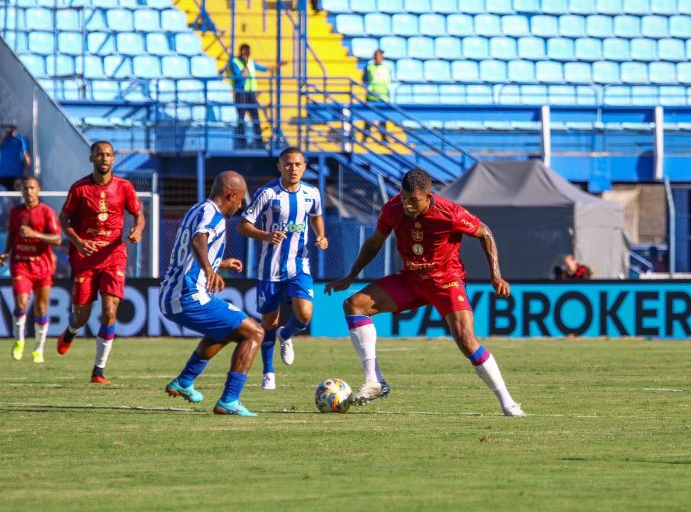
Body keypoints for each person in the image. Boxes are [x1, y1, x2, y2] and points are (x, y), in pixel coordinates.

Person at [325, 168, 525, 417]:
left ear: (428, 196)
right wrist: (351, 276)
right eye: (404, 197)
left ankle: (508, 402)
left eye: (414, 200)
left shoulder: (449, 212)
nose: (407, 204)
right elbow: (375, 242)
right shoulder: (393, 208)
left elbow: (484, 233)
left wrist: (495, 274)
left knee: (466, 341)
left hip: (446, 281)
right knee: (354, 304)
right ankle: (375, 380)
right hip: (412, 278)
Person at [162, 171, 265, 417]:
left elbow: (192, 250)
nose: (240, 206)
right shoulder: (214, 216)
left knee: (228, 330)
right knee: (255, 333)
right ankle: (229, 400)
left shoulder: (197, 209)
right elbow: (198, 241)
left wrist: (220, 262)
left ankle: (184, 381)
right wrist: (209, 269)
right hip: (187, 295)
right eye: (240, 200)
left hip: (174, 291)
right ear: (231, 195)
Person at [237, 147, 328, 390]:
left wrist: (321, 236)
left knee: (305, 314)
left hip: (299, 264)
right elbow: (243, 225)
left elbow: (317, 216)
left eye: (298, 164)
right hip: (270, 268)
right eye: (288, 164)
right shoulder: (267, 193)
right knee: (269, 320)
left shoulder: (312, 193)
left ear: (305, 166)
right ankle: (268, 372)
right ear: (280, 166)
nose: (293, 168)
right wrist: (266, 235)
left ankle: (286, 335)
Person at [56, 141, 145, 384]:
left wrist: (137, 230)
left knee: (109, 310)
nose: (103, 158)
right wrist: (77, 241)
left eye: (107, 155)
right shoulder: (80, 189)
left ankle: (98, 370)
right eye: (99, 155)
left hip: (114, 256)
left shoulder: (124, 187)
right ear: (91, 159)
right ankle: (71, 330)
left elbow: (138, 214)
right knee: (82, 315)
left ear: (113, 159)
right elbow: (64, 218)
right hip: (86, 257)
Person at [0, 176, 61, 362]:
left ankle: (39, 348)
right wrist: (6, 253)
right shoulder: (15, 213)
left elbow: (57, 239)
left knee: (41, 309)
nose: (28, 191)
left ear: (38, 190)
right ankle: (19, 341)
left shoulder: (47, 212)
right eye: (25, 188)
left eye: (32, 188)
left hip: (42, 265)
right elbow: (11, 234)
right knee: (21, 303)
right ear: (21, 191)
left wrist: (34, 234)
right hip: (21, 264)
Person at [229, 44, 283, 149]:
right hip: (241, 93)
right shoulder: (235, 62)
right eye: (244, 53)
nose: (245, 55)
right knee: (241, 119)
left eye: (247, 53)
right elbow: (239, 78)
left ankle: (259, 143)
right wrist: (244, 66)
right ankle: (242, 144)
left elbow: (263, 68)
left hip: (251, 94)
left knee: (256, 118)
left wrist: (278, 65)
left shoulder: (251, 62)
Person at [361, 49, 391, 142]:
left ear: (382, 57)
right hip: (371, 96)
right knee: (368, 118)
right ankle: (365, 137)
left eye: (379, 56)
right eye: (375, 56)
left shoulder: (387, 67)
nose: (377, 58)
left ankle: (384, 137)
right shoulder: (369, 67)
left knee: (382, 119)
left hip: (383, 97)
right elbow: (364, 79)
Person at [0, 125, 32, 191]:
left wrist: (26, 172)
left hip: (17, 176)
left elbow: (26, 155)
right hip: (2, 176)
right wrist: (5, 136)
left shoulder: (21, 139)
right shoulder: (2, 140)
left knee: (16, 196)